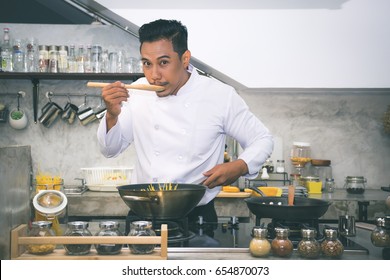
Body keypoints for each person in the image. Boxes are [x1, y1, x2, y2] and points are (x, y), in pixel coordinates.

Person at [97, 19, 274, 224]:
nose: (154, 75)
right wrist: (111, 115)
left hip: (196, 216)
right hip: (143, 215)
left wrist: (240, 166)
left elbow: (262, 138)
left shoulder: (219, 95)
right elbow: (110, 150)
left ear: (185, 59)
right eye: (147, 63)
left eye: (164, 62)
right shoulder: (137, 92)